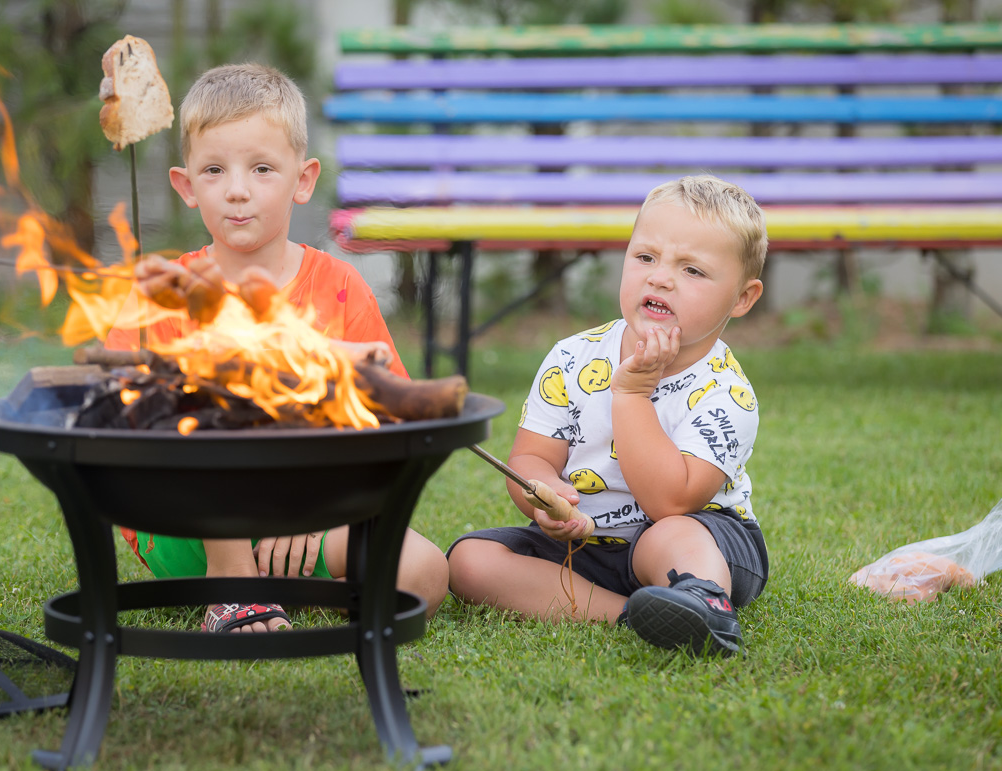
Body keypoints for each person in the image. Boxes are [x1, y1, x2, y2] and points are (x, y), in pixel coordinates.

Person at [105, 63, 449, 633]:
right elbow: (123, 422)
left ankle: (287, 586)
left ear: (303, 180)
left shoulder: (340, 286)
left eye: (262, 168)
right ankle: (233, 587)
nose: (237, 190)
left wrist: (316, 507)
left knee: (424, 573)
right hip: (189, 525)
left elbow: (385, 427)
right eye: (214, 170)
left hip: (311, 514)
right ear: (187, 186)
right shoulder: (164, 293)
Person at [447, 175, 768, 657]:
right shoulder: (572, 357)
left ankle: (702, 602)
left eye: (692, 270)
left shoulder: (726, 392)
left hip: (697, 541)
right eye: (646, 257)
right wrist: (544, 496)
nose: (660, 278)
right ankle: (631, 613)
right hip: (587, 544)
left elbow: (670, 502)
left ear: (741, 298)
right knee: (470, 560)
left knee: (674, 534)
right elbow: (532, 458)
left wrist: (632, 393)